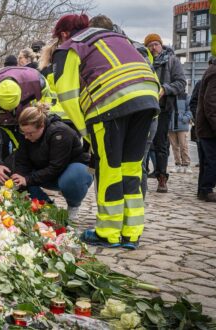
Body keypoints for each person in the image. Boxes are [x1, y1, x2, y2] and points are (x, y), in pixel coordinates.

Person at [52, 14, 161, 249]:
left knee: (109, 169)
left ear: (63, 35)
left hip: (110, 103)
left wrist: (85, 130)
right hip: (147, 98)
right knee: (131, 169)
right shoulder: (118, 38)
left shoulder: (70, 47)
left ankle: (108, 233)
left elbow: (67, 93)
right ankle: (131, 233)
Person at [89, 14, 158, 198]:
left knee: (111, 165)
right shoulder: (136, 47)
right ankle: (134, 211)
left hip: (116, 110)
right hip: (147, 108)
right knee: (135, 164)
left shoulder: (99, 47)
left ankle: (113, 213)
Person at [0, 66, 60, 181]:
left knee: (28, 144)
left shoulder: (37, 82)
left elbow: (49, 103)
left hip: (22, 114)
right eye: (5, 109)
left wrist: (39, 117)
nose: (8, 112)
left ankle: (30, 178)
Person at [8, 103, 92, 220]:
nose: (26, 137)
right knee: (10, 169)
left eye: (30, 133)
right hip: (45, 171)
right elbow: (22, 160)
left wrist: (27, 180)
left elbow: (56, 167)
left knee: (73, 178)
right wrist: (19, 177)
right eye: (24, 133)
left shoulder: (60, 132)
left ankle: (73, 205)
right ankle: (46, 206)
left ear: (41, 125)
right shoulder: (27, 134)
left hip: (68, 171)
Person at [145, 33, 186, 193]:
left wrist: (165, 89)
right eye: (150, 45)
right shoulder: (144, 61)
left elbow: (181, 82)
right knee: (143, 143)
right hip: (145, 107)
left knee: (161, 143)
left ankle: (162, 177)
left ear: (161, 45)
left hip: (163, 108)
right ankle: (141, 175)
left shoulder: (172, 60)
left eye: (156, 44)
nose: (153, 48)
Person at [196, 56, 216, 202]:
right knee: (211, 160)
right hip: (209, 128)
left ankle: (203, 190)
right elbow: (211, 104)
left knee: (207, 160)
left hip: (206, 126)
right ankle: (206, 190)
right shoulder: (214, 73)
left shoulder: (211, 71)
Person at [168, 93, 193, 173]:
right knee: (174, 147)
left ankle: (186, 165)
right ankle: (177, 165)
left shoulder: (185, 96)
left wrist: (185, 118)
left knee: (184, 145)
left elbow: (190, 109)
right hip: (171, 125)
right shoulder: (169, 95)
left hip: (182, 124)